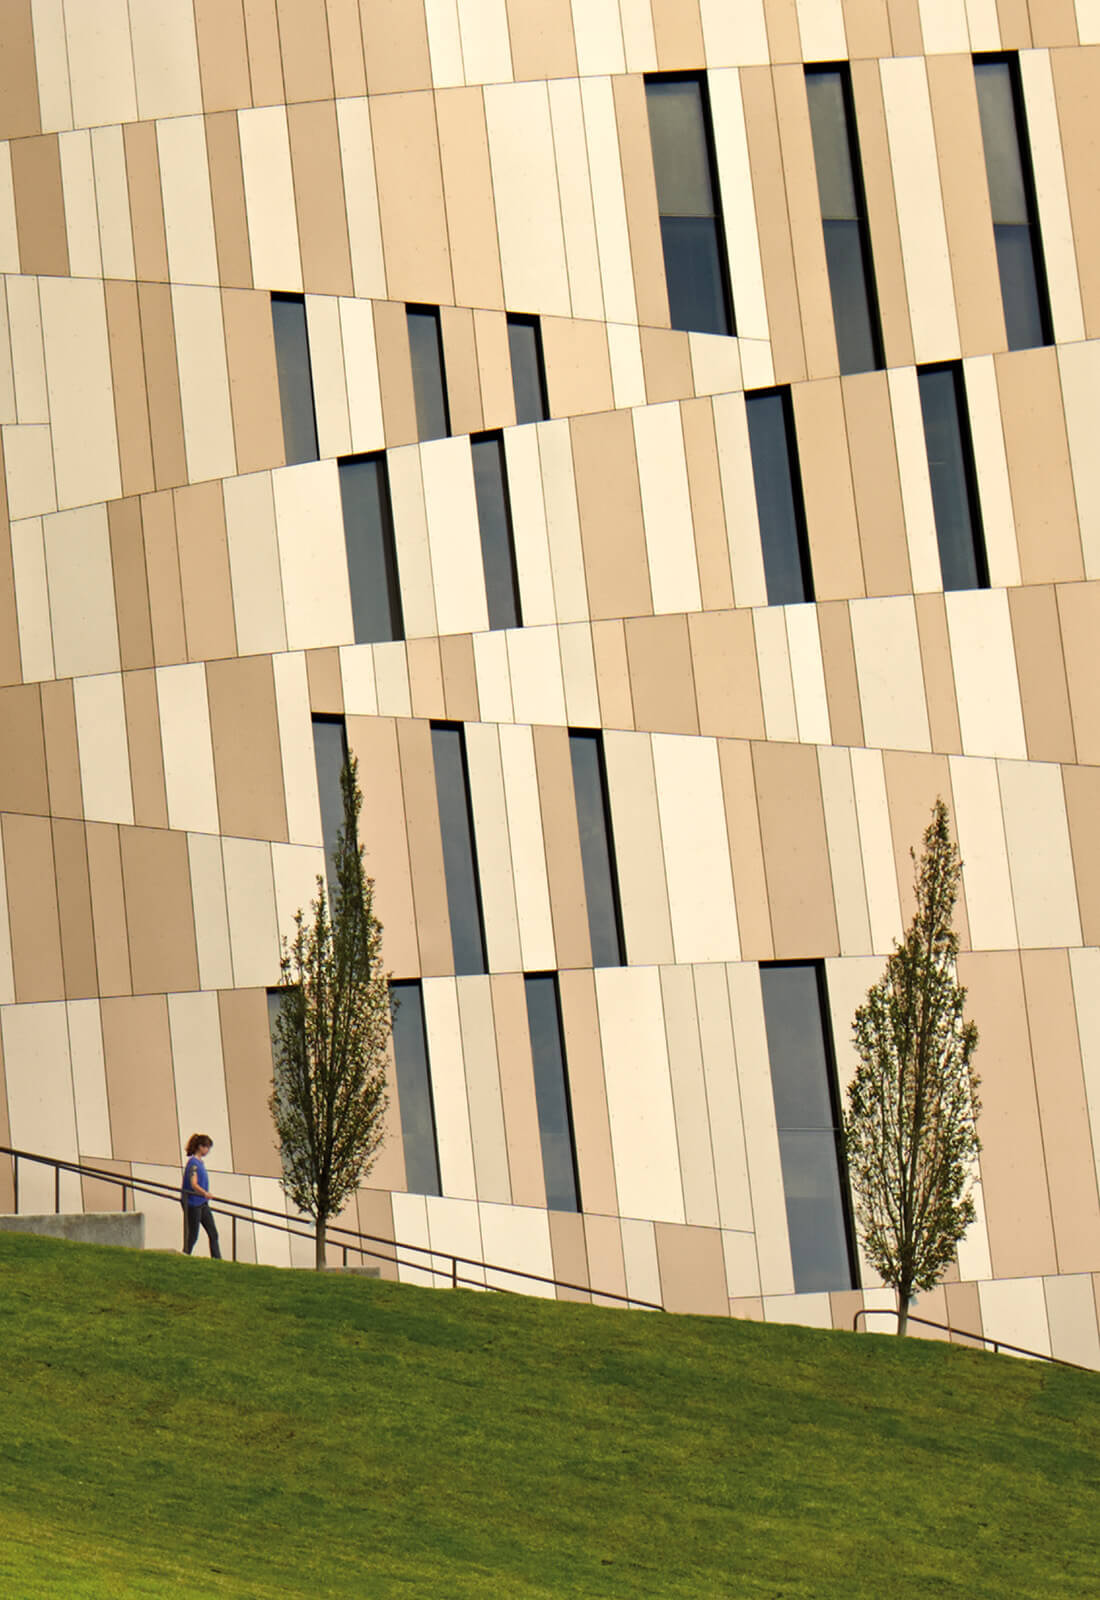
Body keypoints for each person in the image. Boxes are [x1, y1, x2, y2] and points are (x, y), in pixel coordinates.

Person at [181, 1133, 222, 1259]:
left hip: (202, 1203)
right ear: (200, 1147)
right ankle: (185, 1255)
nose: (208, 1150)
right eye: (206, 1147)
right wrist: (204, 1193)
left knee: (213, 1232)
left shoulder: (200, 1163)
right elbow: (193, 1183)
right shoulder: (193, 1163)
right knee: (193, 1234)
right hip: (193, 1203)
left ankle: (217, 1259)